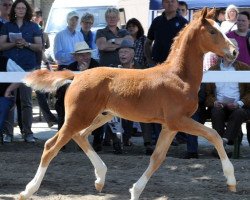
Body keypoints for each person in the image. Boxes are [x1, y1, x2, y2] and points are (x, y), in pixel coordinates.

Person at [144, 0, 188, 145]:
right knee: (156, 102)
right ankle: (158, 137)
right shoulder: (156, 21)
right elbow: (148, 42)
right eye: (167, 1)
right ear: (162, 4)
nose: (170, 4)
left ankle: (177, 134)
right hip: (157, 67)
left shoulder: (183, 22)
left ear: (177, 4)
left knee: (174, 102)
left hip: (175, 70)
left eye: (173, 1)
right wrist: (150, 60)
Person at [0, 0, 42, 143]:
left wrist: (27, 44)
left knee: (26, 102)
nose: (20, 10)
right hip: (10, 67)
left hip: (27, 67)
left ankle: (28, 133)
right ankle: (8, 133)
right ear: (14, 10)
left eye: (23, 8)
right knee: (9, 99)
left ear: (27, 10)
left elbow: (39, 47)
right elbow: (1, 46)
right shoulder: (6, 26)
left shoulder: (34, 26)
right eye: (18, 8)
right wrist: (14, 43)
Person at [54, 41, 103, 151]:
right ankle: (61, 141)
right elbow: (62, 87)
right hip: (74, 100)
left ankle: (97, 142)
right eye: (81, 55)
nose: (85, 57)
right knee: (61, 107)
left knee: (102, 112)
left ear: (90, 55)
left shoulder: (97, 67)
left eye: (87, 54)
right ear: (76, 57)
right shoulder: (70, 67)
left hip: (93, 100)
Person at [205, 52, 250, 148]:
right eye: (229, 52)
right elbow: (208, 94)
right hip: (219, 106)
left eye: (235, 52)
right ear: (221, 53)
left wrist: (240, 103)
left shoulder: (244, 68)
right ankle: (220, 143)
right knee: (216, 112)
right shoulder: (212, 70)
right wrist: (214, 102)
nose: (232, 54)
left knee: (240, 112)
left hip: (238, 107)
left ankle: (222, 142)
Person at [117, 39, 154, 155]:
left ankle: (148, 143)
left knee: (146, 112)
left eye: (126, 52)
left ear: (133, 54)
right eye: (121, 52)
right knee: (111, 113)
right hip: (119, 102)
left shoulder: (141, 68)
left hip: (138, 101)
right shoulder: (114, 68)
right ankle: (117, 142)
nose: (122, 55)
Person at [0, 55, 24, 140]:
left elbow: (22, 75)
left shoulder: (4, 60)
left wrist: (8, 90)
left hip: (2, 97)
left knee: (3, 105)